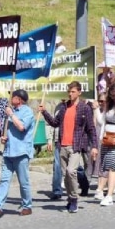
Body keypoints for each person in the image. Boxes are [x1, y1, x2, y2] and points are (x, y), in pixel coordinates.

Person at [40, 81, 98, 213]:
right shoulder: (64, 107)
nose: (70, 94)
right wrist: (44, 112)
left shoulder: (84, 108)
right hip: (62, 145)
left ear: (79, 92)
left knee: (71, 171)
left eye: (73, 92)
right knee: (66, 175)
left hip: (75, 146)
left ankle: (74, 198)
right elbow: (55, 123)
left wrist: (94, 146)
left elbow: (91, 129)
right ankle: (70, 199)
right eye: (69, 92)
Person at [0, 89, 35, 217]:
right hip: (8, 152)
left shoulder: (27, 112)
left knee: (23, 182)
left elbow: (22, 127)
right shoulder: (10, 112)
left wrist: (11, 114)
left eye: (12, 96)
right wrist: (4, 138)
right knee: (4, 180)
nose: (10, 98)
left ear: (19, 99)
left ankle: (27, 206)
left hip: (21, 152)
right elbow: (8, 131)